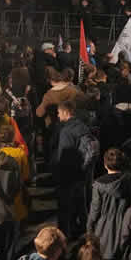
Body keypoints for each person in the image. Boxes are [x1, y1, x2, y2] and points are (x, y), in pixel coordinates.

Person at [87, 148, 131, 260]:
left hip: (104, 229)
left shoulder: (98, 184)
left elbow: (95, 210)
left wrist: (89, 228)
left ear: (105, 164)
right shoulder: (130, 180)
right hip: (126, 224)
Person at [52, 101, 91, 237]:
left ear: (65, 112)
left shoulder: (66, 131)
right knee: (81, 205)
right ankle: (84, 231)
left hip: (68, 176)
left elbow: (64, 156)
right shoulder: (83, 126)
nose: (57, 115)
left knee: (65, 208)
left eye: (58, 112)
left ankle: (64, 236)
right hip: (82, 172)